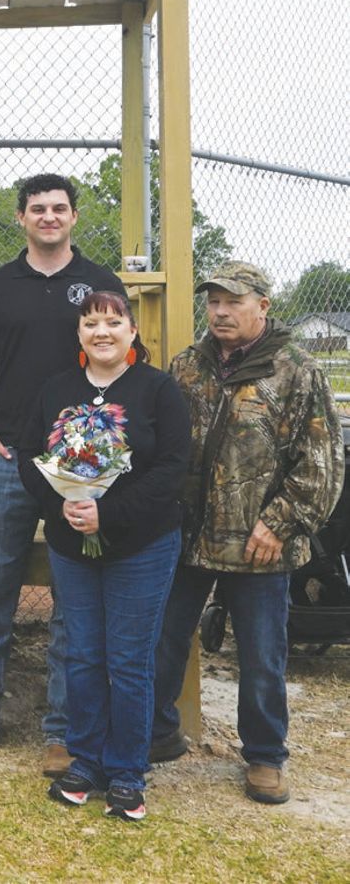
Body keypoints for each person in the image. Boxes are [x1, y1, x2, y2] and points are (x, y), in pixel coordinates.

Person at [0, 173, 124, 778]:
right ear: (21, 217)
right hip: (9, 460)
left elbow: (122, 365)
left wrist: (102, 451)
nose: (49, 217)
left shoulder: (100, 284)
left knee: (74, 603)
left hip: (80, 470)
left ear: (74, 217)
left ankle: (63, 731)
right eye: (38, 209)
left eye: (60, 209)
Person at [151, 261, 342, 806]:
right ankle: (159, 733)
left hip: (261, 543)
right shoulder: (187, 366)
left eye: (233, 301)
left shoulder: (297, 370)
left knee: (261, 654)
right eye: (213, 302)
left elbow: (321, 462)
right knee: (164, 639)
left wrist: (279, 523)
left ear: (263, 305)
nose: (220, 311)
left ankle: (264, 756)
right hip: (187, 536)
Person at [19, 291, 190, 822]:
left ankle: (126, 772)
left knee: (129, 659)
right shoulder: (58, 390)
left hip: (141, 544)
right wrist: (64, 504)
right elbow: (30, 456)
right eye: (91, 323)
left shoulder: (158, 391)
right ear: (79, 334)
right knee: (83, 653)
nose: (102, 331)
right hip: (74, 544)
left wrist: (107, 515)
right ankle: (85, 760)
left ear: (132, 332)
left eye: (114, 322)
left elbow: (171, 469)